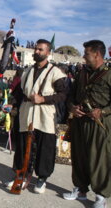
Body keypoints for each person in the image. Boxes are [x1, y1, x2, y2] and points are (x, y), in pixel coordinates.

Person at [7, 39, 67, 194]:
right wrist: (12, 103)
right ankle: (21, 174)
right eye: (36, 49)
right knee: (22, 145)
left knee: (44, 146)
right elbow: (19, 92)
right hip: (26, 112)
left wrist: (44, 99)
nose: (37, 52)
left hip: (45, 114)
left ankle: (42, 178)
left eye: (40, 50)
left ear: (48, 52)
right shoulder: (26, 71)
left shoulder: (56, 72)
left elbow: (63, 95)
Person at [63, 40, 110, 208]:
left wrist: (102, 111)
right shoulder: (81, 73)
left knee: (98, 159)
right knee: (79, 156)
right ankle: (81, 189)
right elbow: (71, 96)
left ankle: (100, 196)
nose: (83, 56)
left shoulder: (109, 73)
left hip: (99, 123)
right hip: (79, 121)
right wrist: (72, 108)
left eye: (86, 53)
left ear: (97, 54)